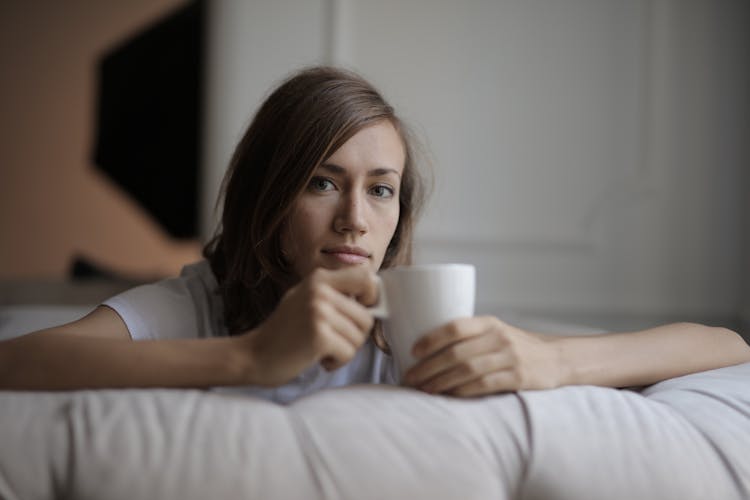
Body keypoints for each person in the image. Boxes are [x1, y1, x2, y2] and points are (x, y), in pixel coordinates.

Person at [1, 66, 748, 402]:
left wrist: (548, 360)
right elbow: (16, 362)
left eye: (381, 189)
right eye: (322, 182)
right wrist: (249, 356)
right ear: (269, 195)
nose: (357, 217)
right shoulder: (200, 305)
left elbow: (726, 347)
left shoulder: (411, 323)